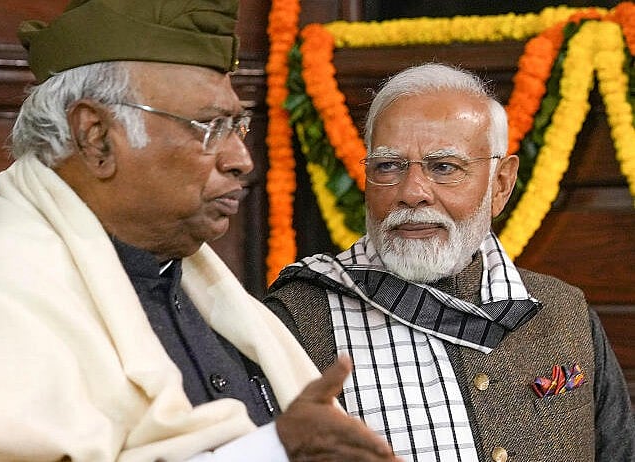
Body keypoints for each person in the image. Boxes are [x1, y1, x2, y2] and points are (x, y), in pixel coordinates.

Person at [0, 1, 404, 461]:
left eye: (238, 124)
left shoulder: (193, 284)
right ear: (97, 138)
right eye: (209, 127)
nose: (241, 159)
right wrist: (273, 450)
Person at [264, 63, 635, 462]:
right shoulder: (296, 320)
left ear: (501, 184)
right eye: (388, 166)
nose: (413, 192)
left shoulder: (563, 312)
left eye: (444, 167)